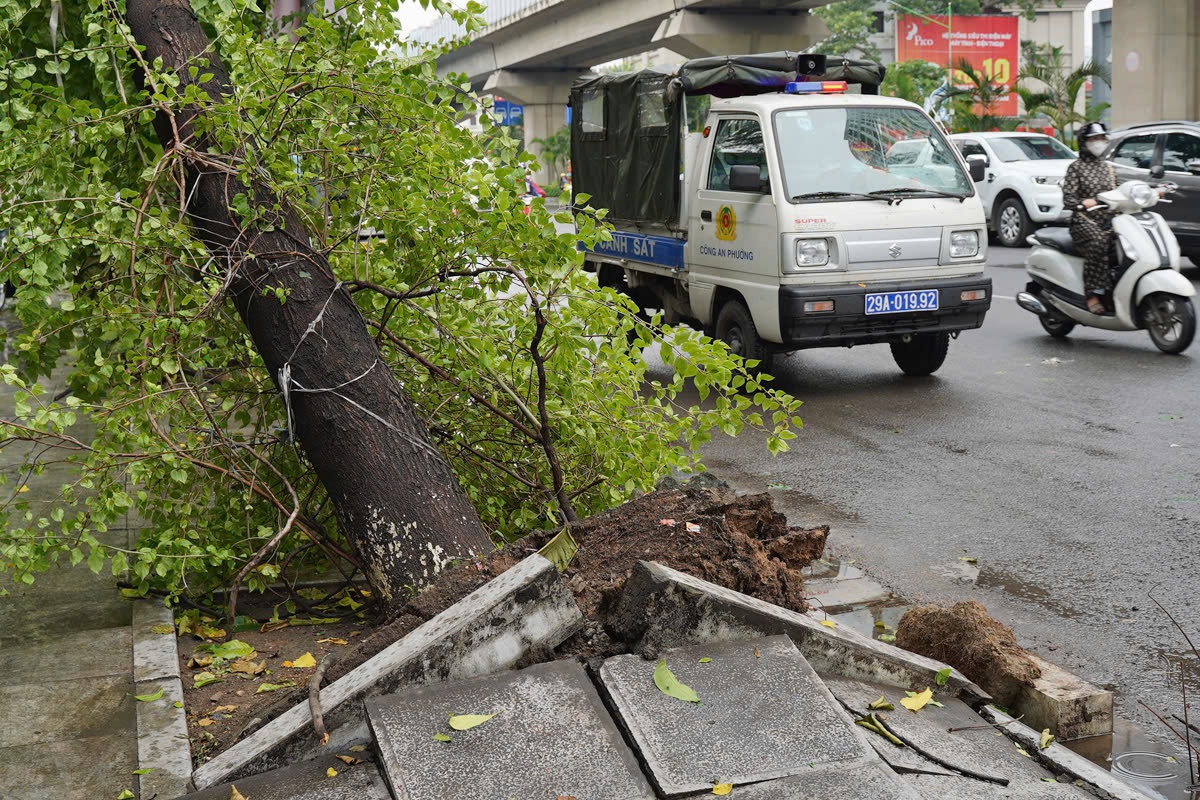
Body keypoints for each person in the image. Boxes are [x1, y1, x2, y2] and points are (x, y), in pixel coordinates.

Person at [1062, 121, 1118, 314]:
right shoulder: (1075, 167)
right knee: (1099, 241)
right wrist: (1084, 202)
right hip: (1084, 221)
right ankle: (1093, 294)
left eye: (1101, 138)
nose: (1098, 142)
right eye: (1093, 139)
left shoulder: (1109, 168)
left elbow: (1121, 192)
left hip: (1110, 219)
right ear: (1084, 142)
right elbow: (1068, 198)